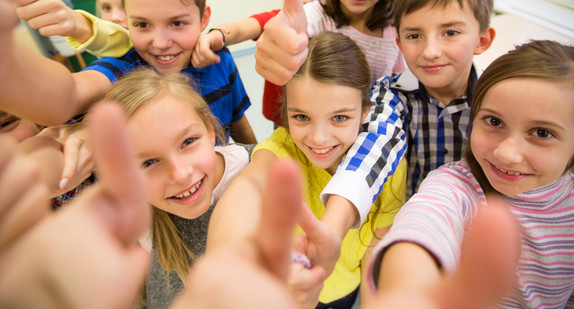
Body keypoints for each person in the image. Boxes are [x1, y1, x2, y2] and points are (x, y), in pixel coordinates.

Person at [252, 0, 496, 274]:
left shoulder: (499, 101)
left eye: (450, 32)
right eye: (414, 35)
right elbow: (370, 150)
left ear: (483, 39)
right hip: (406, 241)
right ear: (399, 43)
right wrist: (331, 230)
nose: (431, 51)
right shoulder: (389, 95)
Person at [208, 31, 407, 309]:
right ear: (285, 111)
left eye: (339, 117)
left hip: (347, 292)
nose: (319, 138)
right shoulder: (280, 152)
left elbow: (376, 248)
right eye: (302, 117)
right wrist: (226, 258)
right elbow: (248, 188)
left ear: (364, 113)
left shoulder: (390, 167)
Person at [369, 39, 574, 308]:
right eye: (494, 121)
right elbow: (422, 228)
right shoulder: (456, 186)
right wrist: (406, 293)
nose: (506, 153)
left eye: (542, 133)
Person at [99, 68, 255, 308]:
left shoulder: (262, 167)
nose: (180, 174)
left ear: (209, 129)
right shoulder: (138, 220)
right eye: (149, 162)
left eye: (188, 142)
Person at [9, 0, 257, 144]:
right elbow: (69, 94)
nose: (160, 43)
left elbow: (240, 125)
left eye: (177, 23)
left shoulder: (219, 58)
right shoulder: (123, 70)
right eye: (142, 25)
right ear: (127, 22)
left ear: (204, 19)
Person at [194, 0, 405, 126]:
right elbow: (256, 26)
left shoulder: (398, 24)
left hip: (359, 126)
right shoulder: (314, 14)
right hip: (296, 122)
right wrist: (217, 35)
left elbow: (396, 84)